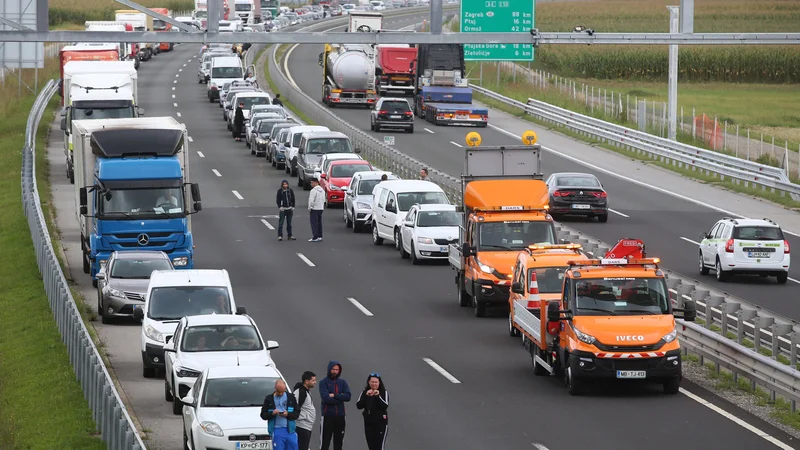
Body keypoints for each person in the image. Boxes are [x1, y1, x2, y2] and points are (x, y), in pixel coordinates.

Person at [319, 361, 351, 450]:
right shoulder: (323, 382)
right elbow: (325, 398)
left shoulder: (343, 382)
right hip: (327, 416)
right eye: (333, 369)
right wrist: (340, 398)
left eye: (337, 370)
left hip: (340, 416)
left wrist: (335, 395)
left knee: (339, 443)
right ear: (329, 369)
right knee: (324, 443)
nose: (335, 371)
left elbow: (348, 396)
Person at [260, 379, 300, 450]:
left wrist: (288, 414)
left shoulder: (291, 397)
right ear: (275, 388)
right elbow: (263, 415)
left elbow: (297, 413)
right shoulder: (269, 399)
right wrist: (272, 413)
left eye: (283, 391)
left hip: (290, 431)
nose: (281, 394)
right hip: (276, 430)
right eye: (279, 392)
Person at [356, 373, 389, 450]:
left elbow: (385, 406)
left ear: (379, 383)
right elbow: (359, 406)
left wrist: (377, 396)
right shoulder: (365, 392)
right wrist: (366, 396)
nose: (374, 384)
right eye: (372, 382)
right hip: (368, 423)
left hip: (380, 423)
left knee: (379, 446)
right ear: (369, 382)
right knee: (371, 446)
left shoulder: (384, 392)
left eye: (376, 382)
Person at [293, 371, 317, 450]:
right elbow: (295, 407)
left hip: (307, 426)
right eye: (313, 380)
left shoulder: (306, 391)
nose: (315, 382)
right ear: (306, 381)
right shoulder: (301, 392)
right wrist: (301, 417)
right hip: (301, 426)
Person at [308, 177, 325, 242]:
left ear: (316, 183)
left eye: (312, 183)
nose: (311, 184)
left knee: (314, 223)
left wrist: (310, 208)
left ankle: (315, 236)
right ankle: (320, 236)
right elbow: (323, 199)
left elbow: (311, 201)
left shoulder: (313, 191)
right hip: (320, 208)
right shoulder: (322, 190)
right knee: (319, 222)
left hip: (314, 208)